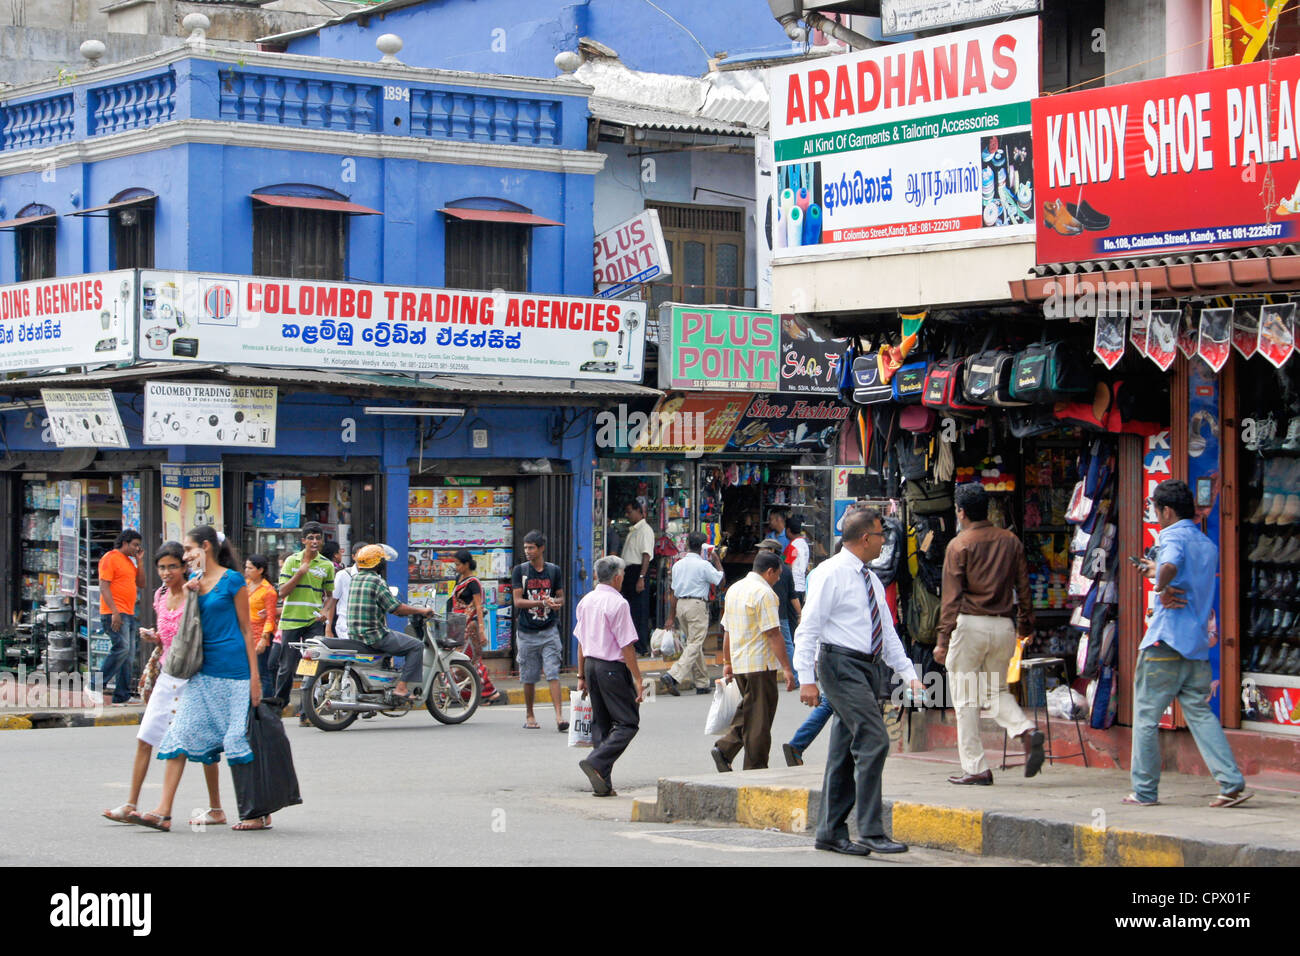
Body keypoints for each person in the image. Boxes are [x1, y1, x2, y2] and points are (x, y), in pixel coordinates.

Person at [793, 507, 924, 857]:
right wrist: (806, 678)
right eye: (881, 535)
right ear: (866, 537)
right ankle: (870, 829)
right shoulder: (830, 573)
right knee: (874, 739)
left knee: (843, 751)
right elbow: (809, 627)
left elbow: (887, 632)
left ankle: (830, 832)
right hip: (839, 665)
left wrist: (908, 674)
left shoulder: (871, 578)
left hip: (867, 667)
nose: (884, 542)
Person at [128, 526, 265, 832]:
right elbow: (184, 628)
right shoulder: (195, 584)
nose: (186, 556)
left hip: (235, 671)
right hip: (202, 672)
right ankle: (163, 811)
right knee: (179, 735)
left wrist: (255, 677)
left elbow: (246, 629)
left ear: (205, 547)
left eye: (189, 550)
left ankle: (257, 810)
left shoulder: (232, 579)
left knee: (235, 741)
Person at [1127, 479, 1252, 808]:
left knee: (1145, 717)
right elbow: (1174, 569)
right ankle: (1230, 782)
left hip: (1165, 642)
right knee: (1200, 714)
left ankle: (1144, 791)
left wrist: (1159, 584)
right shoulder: (1206, 544)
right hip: (1196, 643)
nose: (1156, 517)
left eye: (1156, 511)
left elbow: (1170, 564)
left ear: (1166, 511)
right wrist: (1157, 572)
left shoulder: (1171, 535)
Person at [104, 542, 230, 828]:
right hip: (167, 675)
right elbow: (170, 635)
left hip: (193, 678)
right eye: (162, 567)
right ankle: (131, 804)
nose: (166, 572)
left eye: (173, 566)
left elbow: (200, 635)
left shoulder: (195, 594)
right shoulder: (159, 596)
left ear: (184, 567)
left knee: (202, 746)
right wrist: (156, 637)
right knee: (146, 738)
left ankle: (211, 808)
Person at [934, 482, 1045, 785]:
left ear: (961, 512)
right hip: (1004, 627)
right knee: (996, 691)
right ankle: (1025, 730)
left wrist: (942, 641)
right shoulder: (1010, 541)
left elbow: (951, 598)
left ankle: (976, 767)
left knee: (966, 699)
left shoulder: (959, 545)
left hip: (970, 626)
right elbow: (1024, 588)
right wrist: (1025, 626)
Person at [710, 550, 796, 772]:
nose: (778, 579)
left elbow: (727, 630)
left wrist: (728, 661)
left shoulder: (734, 589)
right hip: (760, 665)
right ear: (769, 571)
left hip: (740, 663)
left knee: (750, 711)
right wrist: (787, 667)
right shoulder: (764, 594)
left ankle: (725, 749)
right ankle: (755, 766)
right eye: (777, 575)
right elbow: (773, 633)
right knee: (760, 720)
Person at [575, 556, 644, 797]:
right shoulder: (618, 603)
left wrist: (581, 674)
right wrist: (638, 678)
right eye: (623, 576)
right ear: (617, 577)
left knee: (602, 724)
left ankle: (603, 781)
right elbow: (627, 646)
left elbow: (581, 642)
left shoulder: (586, 601)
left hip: (592, 666)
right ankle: (596, 762)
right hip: (611, 667)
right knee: (627, 722)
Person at [345, 545, 436, 701]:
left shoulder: (355, 579)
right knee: (416, 646)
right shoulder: (376, 581)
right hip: (374, 636)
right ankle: (401, 688)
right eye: (381, 560)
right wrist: (421, 611)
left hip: (355, 635)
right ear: (377, 563)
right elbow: (396, 608)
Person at [271, 522, 335, 726]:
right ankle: (278, 707)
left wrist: (325, 612)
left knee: (310, 666)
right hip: (290, 621)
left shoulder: (326, 565)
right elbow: (282, 592)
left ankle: (306, 711)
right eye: (311, 538)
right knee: (286, 667)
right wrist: (300, 572)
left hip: (312, 622)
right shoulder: (291, 561)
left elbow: (331, 596)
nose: (315, 542)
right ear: (303, 541)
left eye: (318, 538)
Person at [512, 530, 567, 731]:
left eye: (531, 547)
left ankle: (560, 717)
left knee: (553, 672)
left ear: (541, 548)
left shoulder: (553, 571)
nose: (527, 551)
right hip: (526, 633)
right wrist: (541, 602)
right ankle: (529, 714)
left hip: (549, 630)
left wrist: (555, 603)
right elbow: (517, 601)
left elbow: (561, 597)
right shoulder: (520, 571)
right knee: (528, 676)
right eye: (525, 547)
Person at [660, 532, 724, 696]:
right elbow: (720, 581)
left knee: (693, 644)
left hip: (681, 605)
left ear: (688, 544)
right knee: (695, 644)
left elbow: (673, 592)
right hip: (696, 605)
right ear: (703, 547)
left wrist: (671, 616)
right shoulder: (703, 565)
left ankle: (702, 682)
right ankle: (674, 675)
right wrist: (717, 560)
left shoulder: (678, 565)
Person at [90, 529, 145, 705]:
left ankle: (122, 695)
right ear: (124, 543)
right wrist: (114, 611)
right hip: (114, 612)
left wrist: (140, 561)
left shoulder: (129, 562)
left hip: (128, 612)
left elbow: (141, 583)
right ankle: (94, 685)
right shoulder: (110, 558)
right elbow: (104, 586)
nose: (137, 548)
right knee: (121, 648)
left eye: (139, 545)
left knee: (128, 655)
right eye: (135, 545)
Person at [451, 549, 507, 705]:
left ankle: (487, 693)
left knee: (470, 660)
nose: (456, 567)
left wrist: (481, 630)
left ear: (466, 564)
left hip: (471, 626)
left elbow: (478, 605)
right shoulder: (459, 578)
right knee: (466, 660)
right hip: (459, 624)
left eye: (458, 564)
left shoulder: (474, 583)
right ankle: (481, 693)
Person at [620, 501, 654, 655]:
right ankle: (632, 645)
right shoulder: (633, 530)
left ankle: (641, 647)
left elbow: (646, 555)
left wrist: (641, 577)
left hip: (637, 571)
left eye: (629, 512)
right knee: (630, 610)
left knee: (639, 611)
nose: (627, 515)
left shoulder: (645, 530)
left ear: (639, 511)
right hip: (628, 572)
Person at [244, 554, 278, 687]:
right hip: (245, 634)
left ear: (260, 570)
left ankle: (266, 705)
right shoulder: (245, 585)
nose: (246, 571)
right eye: (246, 567)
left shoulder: (268, 591)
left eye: (250, 568)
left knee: (263, 673)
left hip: (259, 636)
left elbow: (270, 617)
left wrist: (264, 639)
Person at [331, 541, 366, 641]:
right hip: (345, 625)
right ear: (353, 556)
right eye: (360, 555)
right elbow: (333, 600)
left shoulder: (375, 577)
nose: (363, 558)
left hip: (366, 627)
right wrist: (328, 629)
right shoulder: (343, 575)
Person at [784, 515, 811, 603]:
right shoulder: (805, 545)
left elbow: (788, 566)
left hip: (793, 588)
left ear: (788, 530)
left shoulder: (792, 546)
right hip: (802, 587)